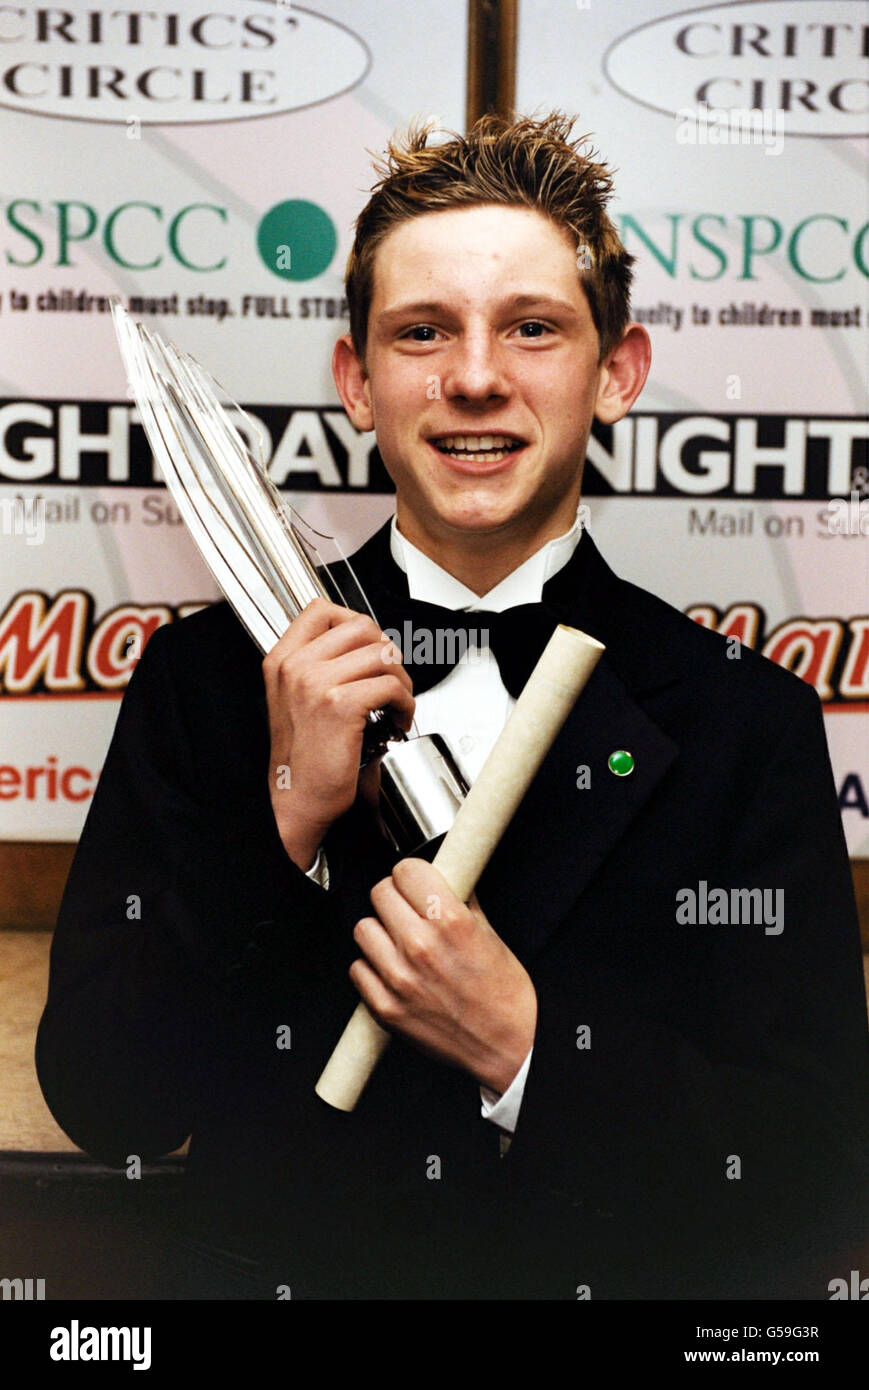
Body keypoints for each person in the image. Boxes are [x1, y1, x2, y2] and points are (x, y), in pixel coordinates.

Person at [37, 112, 868, 1300]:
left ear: (616, 374)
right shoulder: (205, 682)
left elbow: (810, 1166)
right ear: (356, 382)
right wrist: (282, 823)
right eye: (421, 331)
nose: (474, 376)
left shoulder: (746, 725)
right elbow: (105, 1100)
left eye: (532, 328)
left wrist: (524, 1045)